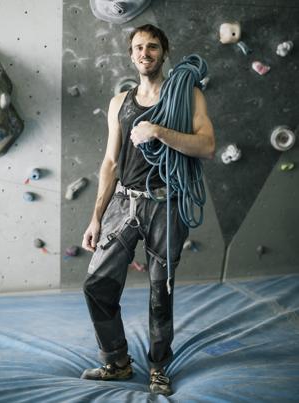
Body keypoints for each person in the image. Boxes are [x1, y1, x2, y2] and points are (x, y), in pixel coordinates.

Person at [81, 24, 215, 396]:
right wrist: (95, 217)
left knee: (161, 291)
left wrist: (159, 131)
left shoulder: (188, 96)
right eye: (138, 47)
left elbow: (207, 146)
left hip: (165, 203)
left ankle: (158, 367)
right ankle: (117, 362)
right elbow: (110, 162)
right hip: (124, 202)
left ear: (164, 52)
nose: (145, 53)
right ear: (131, 55)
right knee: (97, 285)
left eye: (152, 46)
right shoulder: (119, 102)